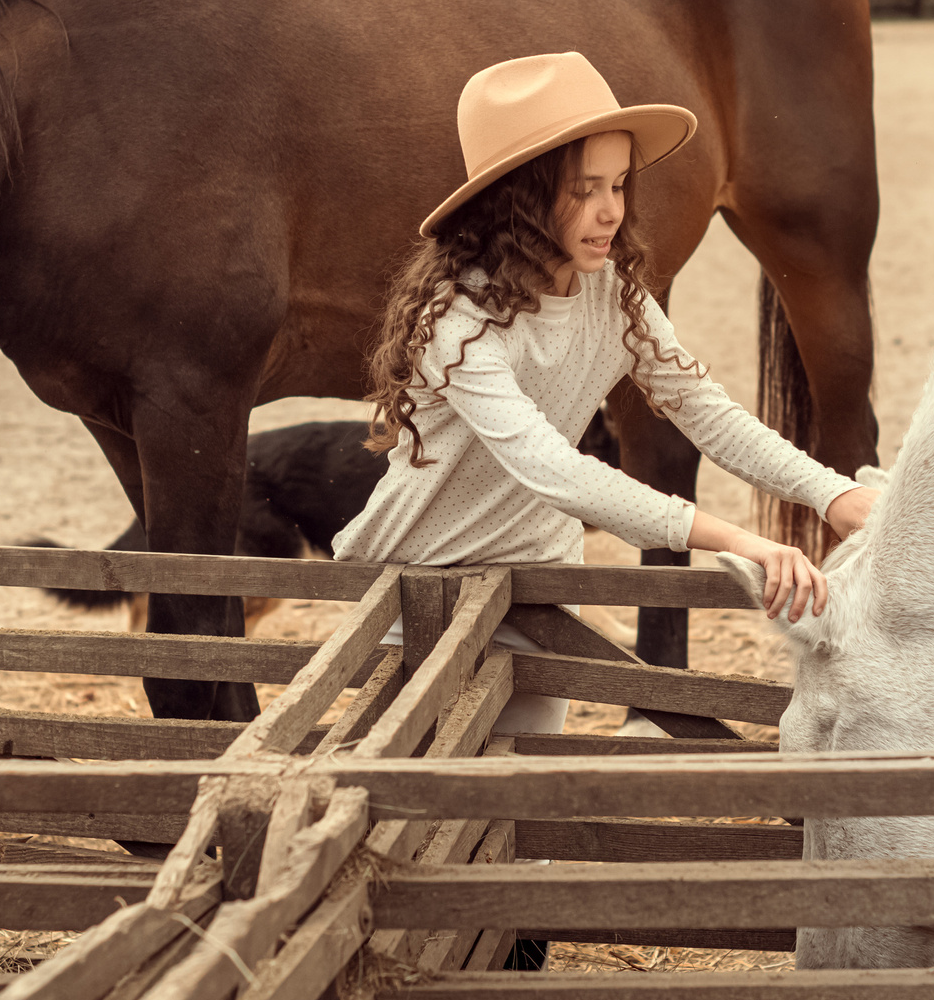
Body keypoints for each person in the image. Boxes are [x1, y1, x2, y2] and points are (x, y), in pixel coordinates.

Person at [333, 49, 879, 745]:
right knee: (407, 801)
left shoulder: (613, 297)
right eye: (584, 188)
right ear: (520, 195)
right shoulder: (458, 319)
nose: (610, 212)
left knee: (522, 812)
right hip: (417, 585)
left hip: (538, 582)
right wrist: (736, 539)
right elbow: (552, 469)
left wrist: (831, 493)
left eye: (619, 185)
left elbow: (704, 408)